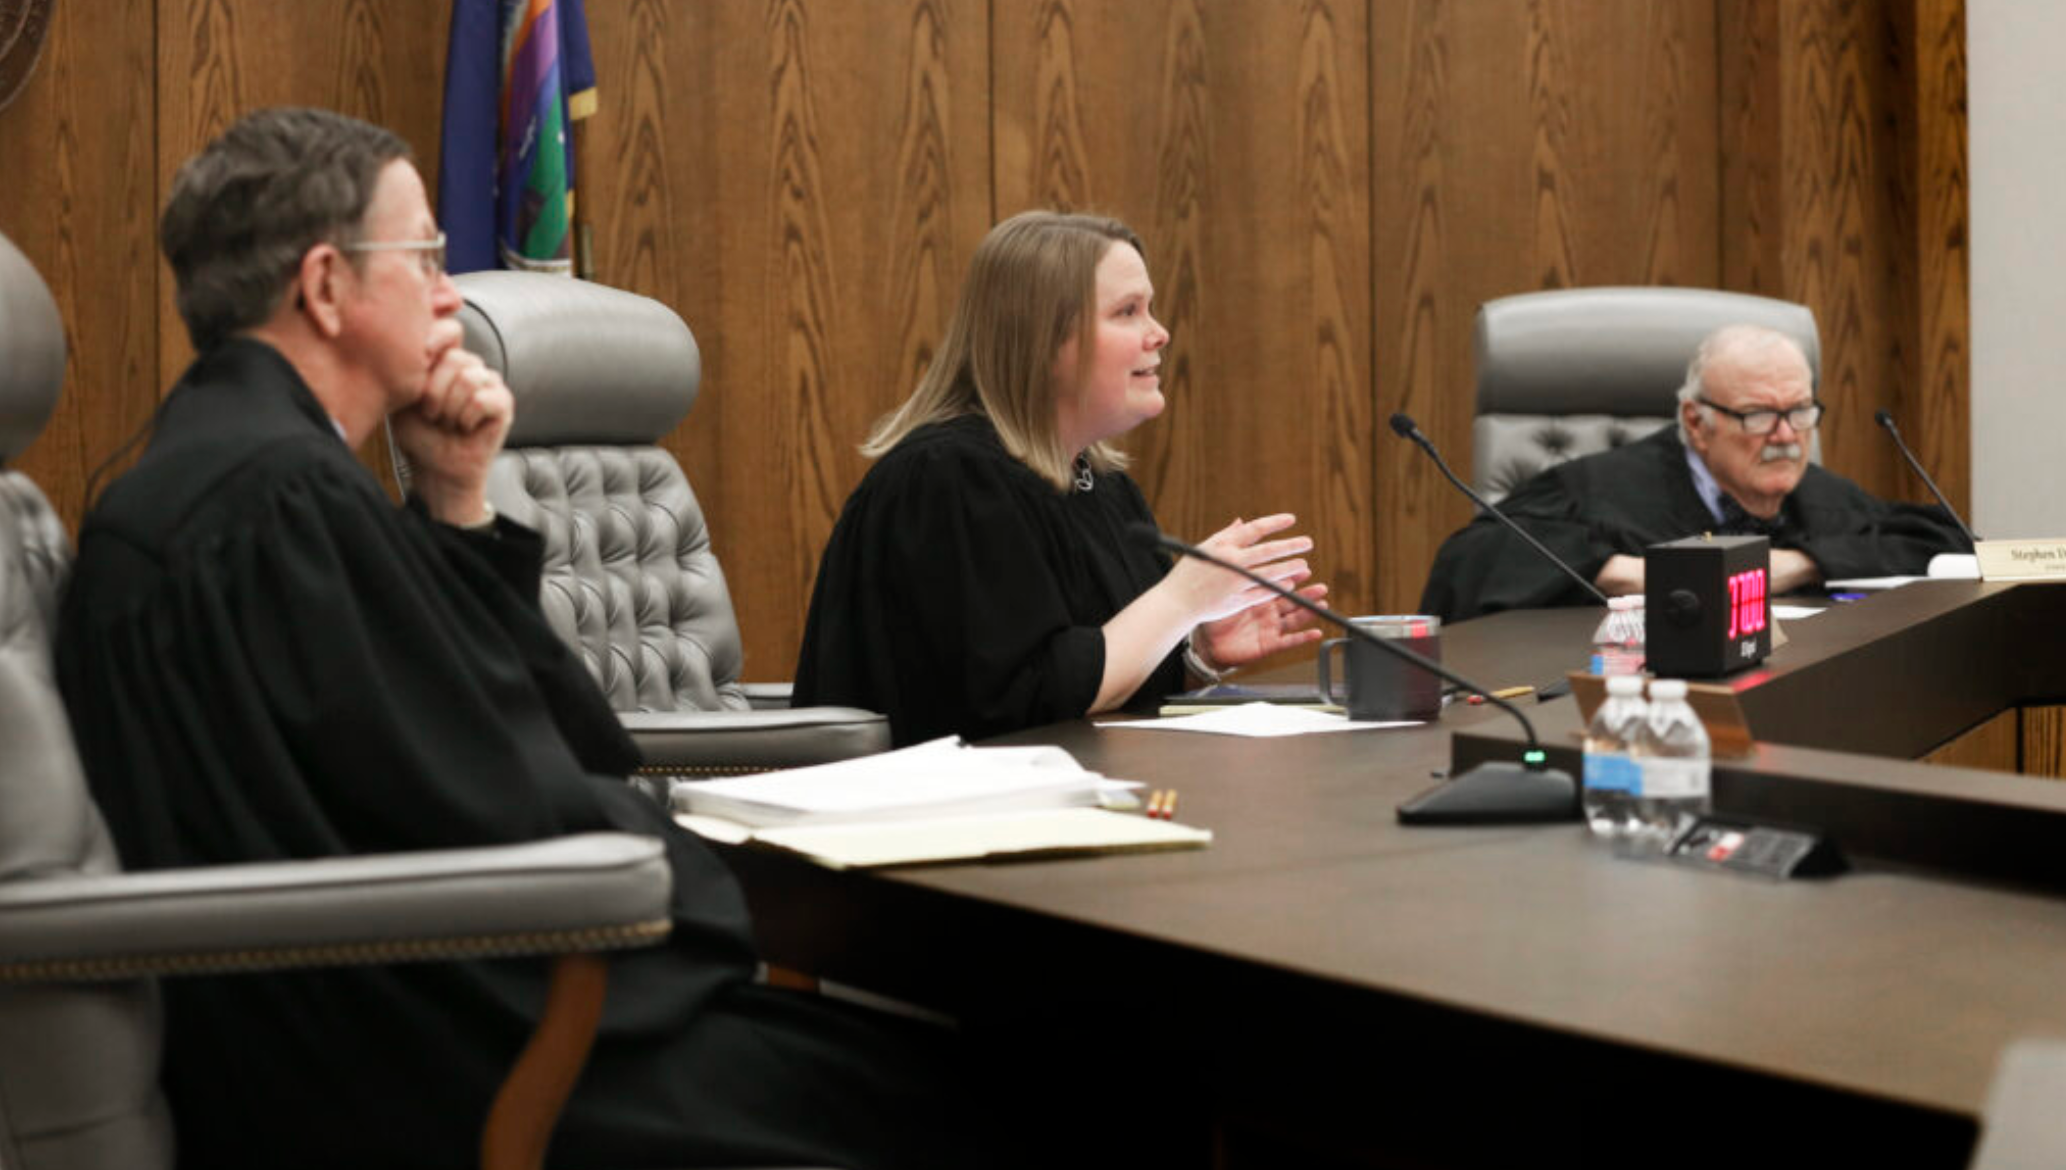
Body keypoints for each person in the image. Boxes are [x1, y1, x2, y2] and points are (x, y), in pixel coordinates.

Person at [56, 107, 979, 1170]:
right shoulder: (274, 509)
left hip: (399, 1014)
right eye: (424, 257)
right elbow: (516, 794)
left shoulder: (240, 473)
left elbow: (527, 742)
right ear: (326, 287)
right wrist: (725, 896)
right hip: (437, 1061)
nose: (451, 296)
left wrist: (455, 497)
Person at [793, 210, 1328, 745]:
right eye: (1128, 312)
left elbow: (1096, 691)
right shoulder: (948, 480)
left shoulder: (1103, 485)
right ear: (1044, 339)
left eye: (1150, 309)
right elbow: (1019, 704)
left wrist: (1198, 655)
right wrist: (1179, 601)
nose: (1160, 333)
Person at [1419, 323, 1970, 621]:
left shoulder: (1815, 495)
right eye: (1758, 415)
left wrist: (1798, 564)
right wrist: (1625, 572)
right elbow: (1470, 560)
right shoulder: (1596, 490)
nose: (1786, 436)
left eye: (1800, 411)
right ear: (1696, 422)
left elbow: (1948, 543)